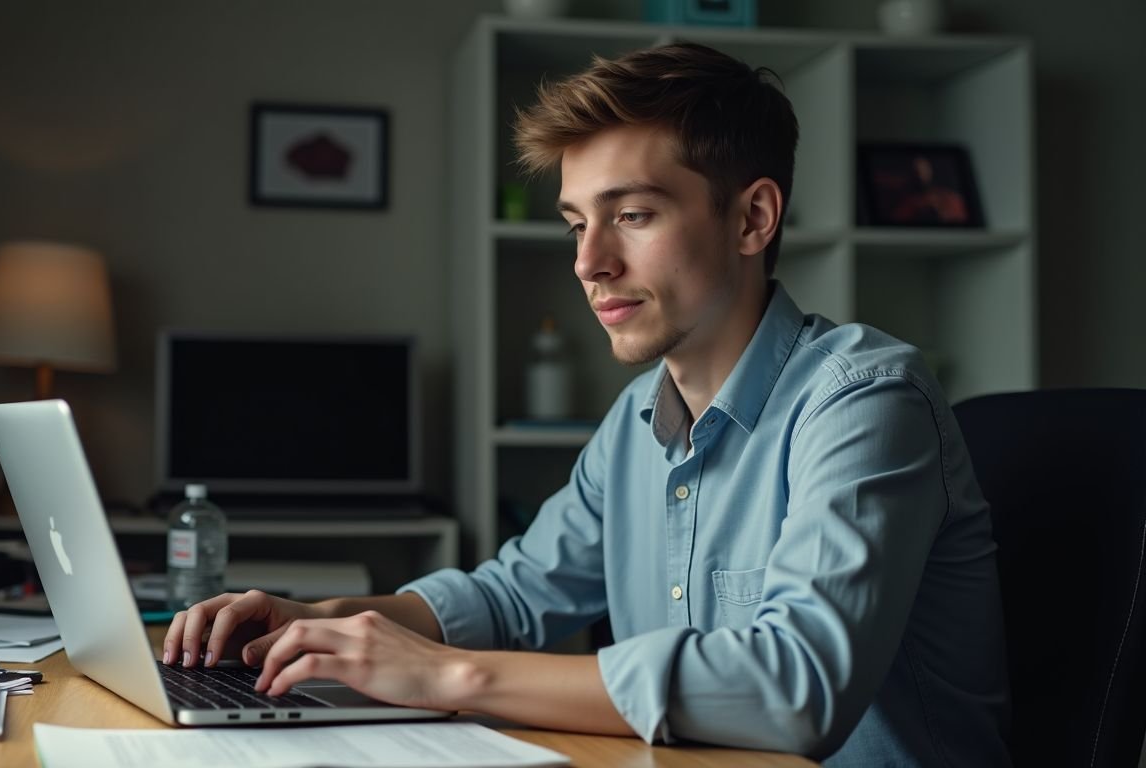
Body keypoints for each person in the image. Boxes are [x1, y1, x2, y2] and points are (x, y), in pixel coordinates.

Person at [165, 42, 1010, 765]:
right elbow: (510, 600)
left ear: (752, 218)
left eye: (632, 214)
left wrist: (443, 676)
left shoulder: (865, 400)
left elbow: (795, 687)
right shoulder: (636, 419)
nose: (589, 262)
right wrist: (323, 619)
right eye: (576, 224)